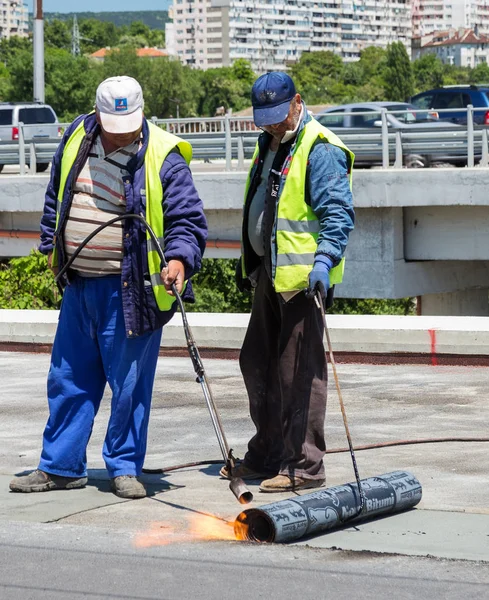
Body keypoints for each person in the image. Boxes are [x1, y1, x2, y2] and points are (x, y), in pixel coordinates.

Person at [9, 76, 207, 499]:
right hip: (79, 286)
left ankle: (123, 467)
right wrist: (50, 244)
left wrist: (178, 260)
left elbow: (187, 220)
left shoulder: (164, 155)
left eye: (129, 126)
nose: (122, 135)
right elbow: (56, 195)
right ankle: (61, 466)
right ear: (98, 114)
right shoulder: (77, 136)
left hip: (130, 291)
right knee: (67, 378)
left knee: (129, 385)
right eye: (114, 126)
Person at [221, 72, 355, 492]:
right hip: (270, 275)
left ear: (297, 102)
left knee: (297, 373)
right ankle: (267, 454)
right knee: (256, 362)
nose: (272, 124)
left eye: (278, 116)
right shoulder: (271, 145)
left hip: (302, 281)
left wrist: (325, 260)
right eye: (265, 119)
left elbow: (338, 213)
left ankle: (304, 466)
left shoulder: (320, 149)